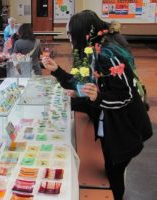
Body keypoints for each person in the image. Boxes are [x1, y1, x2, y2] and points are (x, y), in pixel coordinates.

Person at [42, 10, 152, 200]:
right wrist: (57, 71)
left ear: (83, 33)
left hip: (125, 130)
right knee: (111, 168)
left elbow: (125, 95)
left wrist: (98, 97)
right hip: (110, 125)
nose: (69, 38)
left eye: (70, 34)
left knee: (114, 173)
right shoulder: (94, 49)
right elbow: (84, 86)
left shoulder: (107, 53)